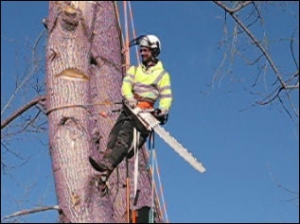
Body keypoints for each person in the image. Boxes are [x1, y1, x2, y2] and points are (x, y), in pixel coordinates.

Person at [89, 34, 173, 180]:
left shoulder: (162, 75)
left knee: (124, 136)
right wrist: (130, 99)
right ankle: (104, 173)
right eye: (141, 50)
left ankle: (107, 165)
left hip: (144, 113)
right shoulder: (134, 70)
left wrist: (162, 110)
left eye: (145, 50)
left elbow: (166, 96)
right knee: (113, 136)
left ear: (153, 51)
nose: (142, 53)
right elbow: (126, 86)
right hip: (130, 109)